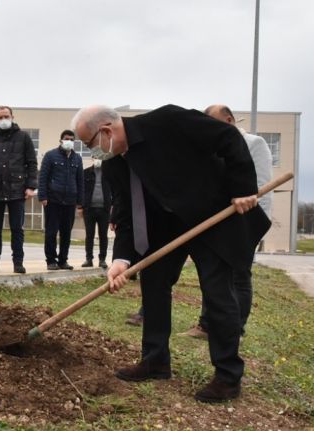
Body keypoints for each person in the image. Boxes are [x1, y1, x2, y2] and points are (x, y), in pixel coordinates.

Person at [71, 104, 270, 403]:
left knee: (218, 294)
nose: (91, 152)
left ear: (107, 131)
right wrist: (121, 261)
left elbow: (228, 139)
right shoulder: (115, 163)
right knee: (153, 285)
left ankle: (228, 377)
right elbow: (127, 213)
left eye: (89, 144)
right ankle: (156, 360)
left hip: (210, 217)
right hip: (165, 228)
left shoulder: (168, 121)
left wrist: (242, 187)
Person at [180, 104, 273, 339]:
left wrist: (252, 227)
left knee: (239, 275)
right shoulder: (214, 147)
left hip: (246, 221)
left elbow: (261, 186)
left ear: (229, 120)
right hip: (220, 221)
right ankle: (206, 325)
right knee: (215, 274)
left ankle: (235, 329)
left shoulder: (255, 143)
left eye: (213, 123)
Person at [0, 106, 38, 274]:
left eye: (6, 116)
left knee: (17, 229)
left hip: (17, 191)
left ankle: (18, 262)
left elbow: (32, 163)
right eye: (0, 117)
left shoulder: (24, 137)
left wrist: (30, 186)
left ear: (12, 116)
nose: (3, 119)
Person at [38, 130, 84, 270]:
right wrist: (43, 196)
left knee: (66, 233)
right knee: (51, 232)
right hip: (53, 200)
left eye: (71, 139)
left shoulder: (77, 159)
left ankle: (63, 260)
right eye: (66, 139)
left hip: (70, 201)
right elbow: (43, 177)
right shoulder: (50, 156)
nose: (68, 141)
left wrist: (80, 201)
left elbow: (80, 181)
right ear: (61, 140)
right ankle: (51, 260)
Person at [81, 159, 111, 269]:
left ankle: (102, 259)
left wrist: (112, 205)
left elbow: (113, 189)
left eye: (100, 156)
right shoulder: (86, 173)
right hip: (89, 209)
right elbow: (82, 189)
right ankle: (89, 259)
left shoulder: (108, 173)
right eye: (95, 156)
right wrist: (80, 206)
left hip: (104, 209)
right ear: (93, 158)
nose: (98, 159)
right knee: (89, 235)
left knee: (103, 235)